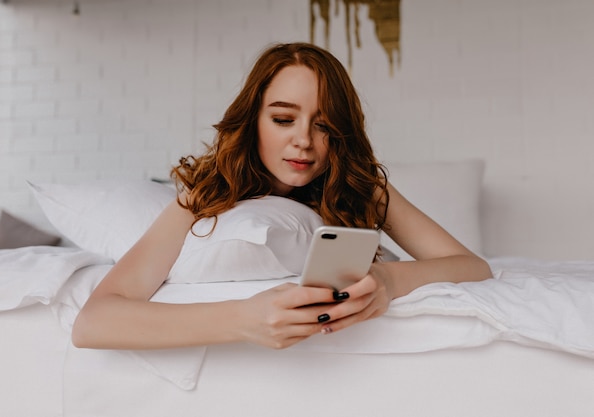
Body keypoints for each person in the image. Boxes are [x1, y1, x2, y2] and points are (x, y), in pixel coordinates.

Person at [72, 42, 491, 350]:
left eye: (324, 125)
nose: (303, 141)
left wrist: (387, 280)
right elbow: (93, 321)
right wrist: (243, 318)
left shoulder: (365, 188)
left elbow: (473, 267)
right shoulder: (204, 197)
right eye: (283, 119)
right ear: (253, 120)